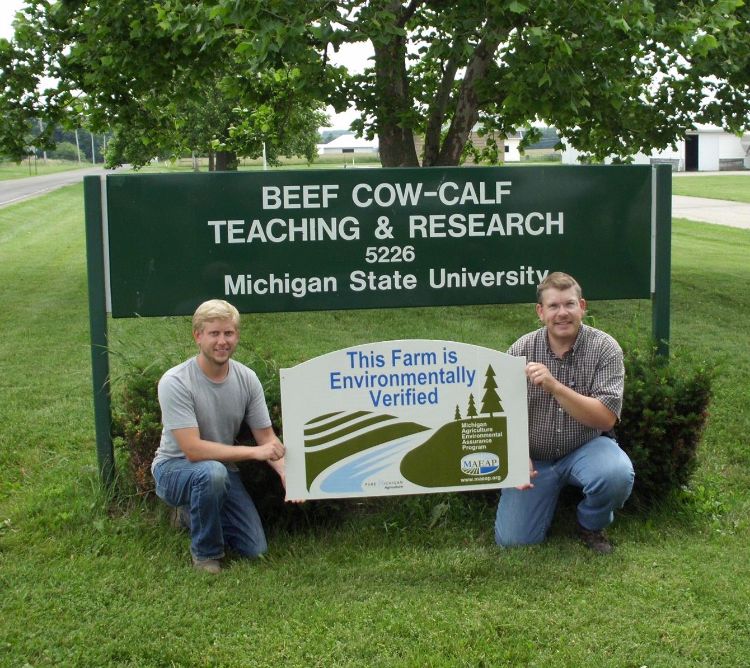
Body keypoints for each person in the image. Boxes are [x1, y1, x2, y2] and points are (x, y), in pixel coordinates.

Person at [495, 272, 634, 553]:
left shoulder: (605, 349)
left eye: (569, 304)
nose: (562, 313)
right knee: (513, 541)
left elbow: (606, 417)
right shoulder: (521, 349)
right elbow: (500, 413)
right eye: (553, 306)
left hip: (586, 448)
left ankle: (590, 524)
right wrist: (517, 454)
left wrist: (555, 387)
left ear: (582, 306)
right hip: (537, 461)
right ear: (540, 312)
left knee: (615, 474)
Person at [151, 299, 287, 573]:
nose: (222, 341)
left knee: (255, 548)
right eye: (214, 333)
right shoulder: (175, 381)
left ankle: (192, 514)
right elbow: (193, 451)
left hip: (220, 470)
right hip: (174, 469)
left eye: (229, 333)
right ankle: (206, 555)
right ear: (198, 336)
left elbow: (267, 439)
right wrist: (253, 453)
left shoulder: (247, 378)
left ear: (237, 336)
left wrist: (286, 474)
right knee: (211, 474)